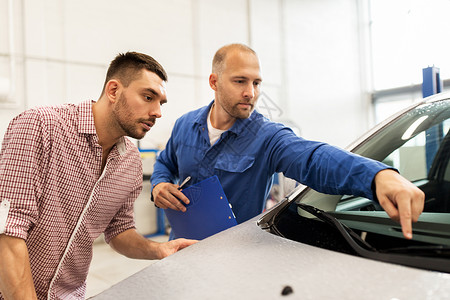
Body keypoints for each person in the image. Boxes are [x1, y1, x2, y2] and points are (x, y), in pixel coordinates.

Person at [150, 43, 424, 241]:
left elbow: (313, 158)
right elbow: (165, 162)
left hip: (231, 253)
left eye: (257, 83)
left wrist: (377, 176)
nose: (250, 93)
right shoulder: (186, 125)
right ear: (214, 81)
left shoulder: (266, 137)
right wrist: (159, 184)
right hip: (180, 244)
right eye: (240, 81)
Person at [0, 52, 197, 300]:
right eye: (148, 97)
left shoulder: (130, 162)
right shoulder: (41, 126)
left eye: (161, 103)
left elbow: (119, 231)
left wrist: (159, 249)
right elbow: (7, 231)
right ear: (113, 90)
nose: (157, 112)